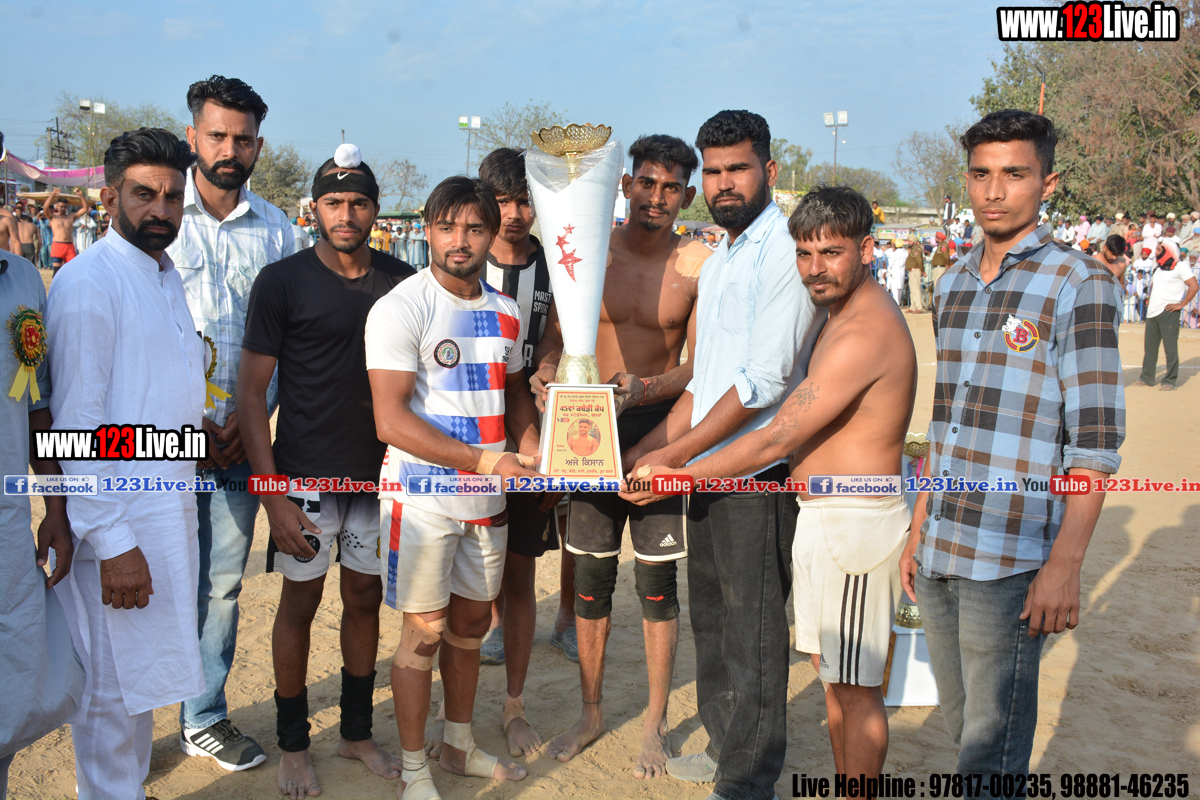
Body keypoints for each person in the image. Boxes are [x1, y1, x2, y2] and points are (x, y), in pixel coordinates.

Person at [623, 183, 919, 782]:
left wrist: (679, 475)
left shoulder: (863, 330)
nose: (815, 269)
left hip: (856, 525)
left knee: (854, 691)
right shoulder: (838, 317)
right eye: (804, 254)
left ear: (866, 249)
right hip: (827, 520)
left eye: (831, 253)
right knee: (835, 681)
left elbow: (776, 437)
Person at [899, 110, 1125, 784]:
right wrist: (918, 526)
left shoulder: (1079, 282)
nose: (994, 191)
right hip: (941, 546)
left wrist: (1066, 564)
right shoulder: (953, 283)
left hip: (1013, 556)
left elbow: (1094, 442)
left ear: (1047, 183)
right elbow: (947, 420)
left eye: (1014, 174)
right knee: (963, 730)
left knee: (990, 751)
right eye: (981, 174)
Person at [622, 110, 815, 800]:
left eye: (738, 168)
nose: (724, 183)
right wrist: (650, 452)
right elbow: (704, 383)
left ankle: (746, 778)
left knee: (752, 627)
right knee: (712, 615)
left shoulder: (783, 250)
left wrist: (676, 459)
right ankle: (724, 741)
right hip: (707, 471)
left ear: (770, 170)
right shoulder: (725, 254)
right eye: (714, 171)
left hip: (755, 474)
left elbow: (762, 385)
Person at [530, 134, 710, 778]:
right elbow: (555, 340)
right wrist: (546, 371)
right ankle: (591, 711)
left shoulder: (698, 264)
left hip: (660, 431)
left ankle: (655, 723)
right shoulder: (587, 250)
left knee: (658, 586)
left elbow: (700, 364)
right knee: (591, 578)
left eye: (671, 188)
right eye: (646, 183)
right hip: (588, 428)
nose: (656, 197)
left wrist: (648, 388)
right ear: (626, 184)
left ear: (687, 195)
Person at [237, 146, 413, 799]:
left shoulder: (403, 281)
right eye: (334, 202)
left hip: (377, 478)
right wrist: (271, 495)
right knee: (300, 604)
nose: (346, 214)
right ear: (314, 209)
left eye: (358, 202)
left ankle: (357, 733)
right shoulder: (281, 281)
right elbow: (250, 393)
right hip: (304, 479)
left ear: (375, 210)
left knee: (364, 600)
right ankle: (293, 745)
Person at [365, 176, 540, 800]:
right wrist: (487, 460)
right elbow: (390, 421)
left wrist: (533, 449)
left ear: (492, 235)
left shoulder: (506, 310)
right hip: (421, 501)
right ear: (427, 230)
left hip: (487, 503)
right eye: (447, 227)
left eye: (473, 228)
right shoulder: (401, 307)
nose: (459, 241)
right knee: (424, 634)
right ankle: (416, 769)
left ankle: (458, 745)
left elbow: (513, 392)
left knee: (470, 628)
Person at [47, 127, 208, 800]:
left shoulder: (163, 274)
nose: (161, 210)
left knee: (139, 688)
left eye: (172, 197)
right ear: (110, 196)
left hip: (166, 515)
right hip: (118, 526)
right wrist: (113, 543)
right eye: (144, 194)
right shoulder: (90, 283)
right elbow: (76, 428)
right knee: (111, 698)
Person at [168, 75, 298, 771]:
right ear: (193, 136)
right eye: (217, 135)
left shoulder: (278, 232)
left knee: (220, 585)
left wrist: (250, 422)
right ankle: (121, 726)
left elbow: (287, 340)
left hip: (241, 446)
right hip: (159, 446)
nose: (229, 150)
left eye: (242, 139)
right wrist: (184, 422)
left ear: (258, 147)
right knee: (143, 579)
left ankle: (203, 715)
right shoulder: (159, 218)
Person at [455, 146, 570, 761]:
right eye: (504, 201)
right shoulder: (457, 262)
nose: (516, 213)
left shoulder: (555, 266)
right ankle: (451, 714)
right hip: (463, 440)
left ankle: (515, 704)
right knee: (459, 577)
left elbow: (554, 341)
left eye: (526, 201)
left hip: (528, 430)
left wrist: (547, 370)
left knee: (521, 571)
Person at [0, 247, 83, 799]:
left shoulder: (23, 278)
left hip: (6, 527)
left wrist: (55, 505)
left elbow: (36, 402)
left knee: (8, 686)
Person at [1136, 239, 1197, 391]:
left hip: (1169, 311)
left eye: (1159, 249)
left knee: (1170, 348)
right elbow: (1154, 285)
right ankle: (1146, 378)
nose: (1156, 252)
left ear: (1168, 250)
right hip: (1152, 312)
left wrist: (1181, 304)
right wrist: (1150, 300)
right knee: (1150, 348)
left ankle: (1169, 380)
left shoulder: (1180, 266)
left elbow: (1194, 286)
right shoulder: (1158, 266)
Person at [43, 187, 90, 271]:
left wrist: (81, 195)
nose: (63, 208)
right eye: (61, 206)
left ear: (67, 207)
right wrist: (53, 194)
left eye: (65, 207)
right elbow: (45, 208)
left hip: (69, 246)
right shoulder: (53, 217)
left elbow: (85, 209)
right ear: (57, 206)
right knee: (57, 271)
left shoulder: (71, 216)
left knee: (72, 270)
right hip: (57, 245)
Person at [1095, 234, 1129, 316]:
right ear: (1105, 248)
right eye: (1112, 254)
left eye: (1117, 255)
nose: (1114, 258)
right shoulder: (1093, 261)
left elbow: (1121, 284)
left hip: (1111, 308)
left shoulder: (1121, 265)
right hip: (1094, 306)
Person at [905, 236, 925, 312]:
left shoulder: (917, 249)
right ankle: (912, 307)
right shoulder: (913, 249)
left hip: (915, 270)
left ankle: (919, 307)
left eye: (910, 241)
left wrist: (922, 270)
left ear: (914, 241)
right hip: (911, 271)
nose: (909, 242)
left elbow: (919, 261)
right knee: (912, 290)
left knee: (916, 289)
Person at [886, 237, 908, 306]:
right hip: (902, 271)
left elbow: (891, 264)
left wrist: (889, 269)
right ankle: (899, 302)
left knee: (895, 288)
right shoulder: (905, 253)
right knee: (900, 287)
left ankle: (896, 303)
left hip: (895, 271)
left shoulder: (895, 253)